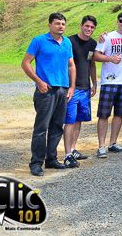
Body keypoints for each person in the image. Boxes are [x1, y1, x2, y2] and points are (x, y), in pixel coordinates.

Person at [21, 12, 75, 176]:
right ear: (50, 25)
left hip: (63, 90)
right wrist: (39, 81)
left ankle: (51, 159)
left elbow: (71, 65)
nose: (61, 26)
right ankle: (36, 163)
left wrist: (72, 87)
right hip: (46, 90)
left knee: (57, 126)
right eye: (57, 23)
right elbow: (25, 63)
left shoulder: (67, 42)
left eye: (63, 24)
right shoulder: (39, 41)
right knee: (41, 128)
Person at [93, 12, 122, 158]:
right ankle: (101, 146)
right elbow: (96, 55)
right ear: (117, 22)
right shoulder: (108, 37)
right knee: (104, 114)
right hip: (109, 81)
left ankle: (113, 143)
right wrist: (110, 58)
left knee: (120, 114)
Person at [62, 15, 97, 168]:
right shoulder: (70, 41)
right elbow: (66, 64)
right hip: (72, 88)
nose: (89, 29)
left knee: (78, 120)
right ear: (81, 26)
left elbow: (92, 64)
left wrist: (94, 83)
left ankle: (73, 149)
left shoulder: (93, 43)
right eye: (87, 26)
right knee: (69, 121)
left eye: (92, 27)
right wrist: (69, 86)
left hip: (85, 87)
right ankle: (67, 154)